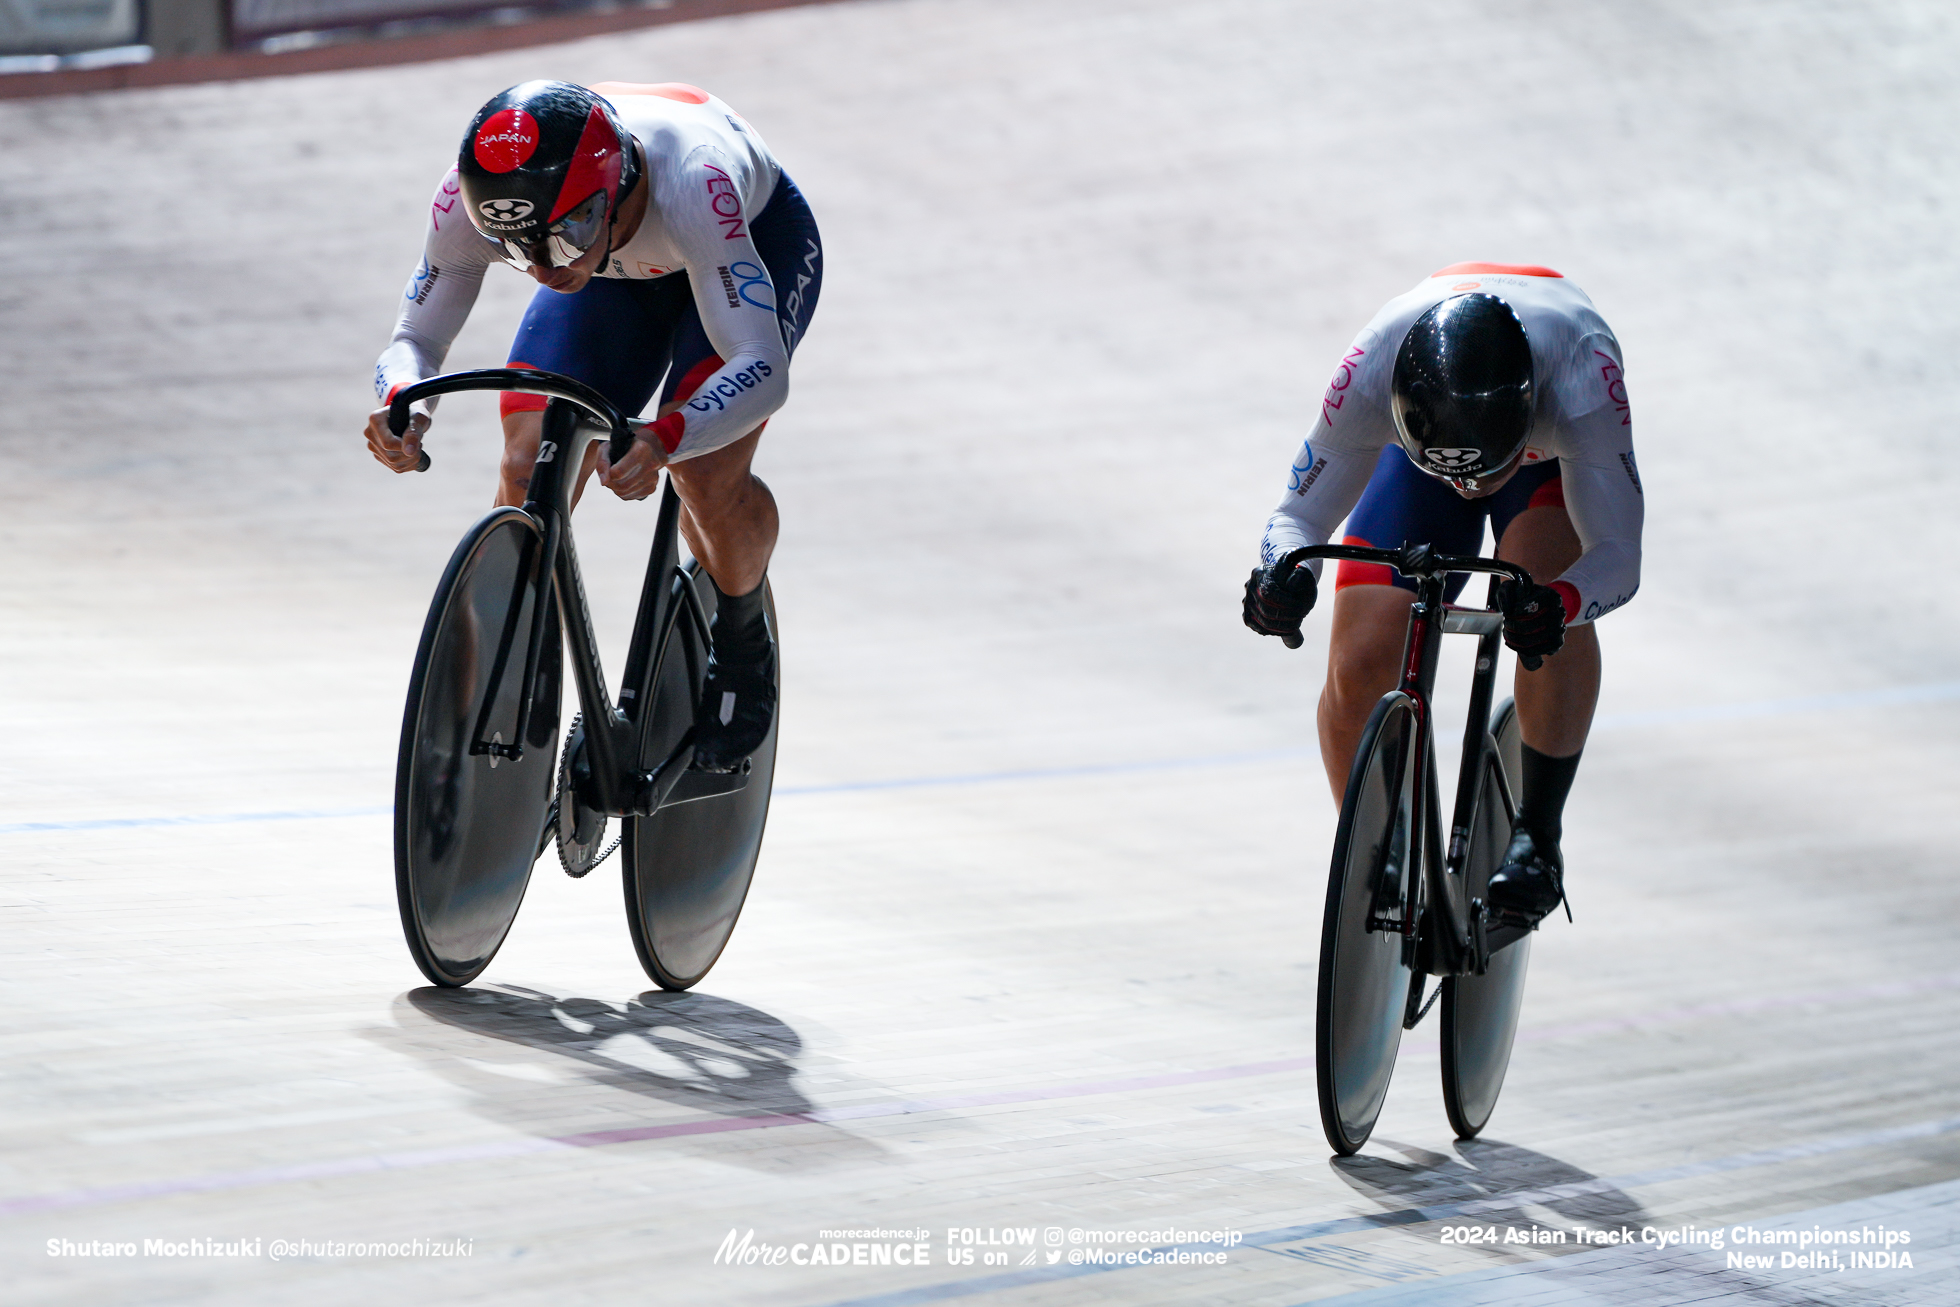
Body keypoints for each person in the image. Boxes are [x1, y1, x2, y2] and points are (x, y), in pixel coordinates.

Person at [363, 79, 822, 772]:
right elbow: (413, 338)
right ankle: (516, 650)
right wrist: (405, 402)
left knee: (703, 470)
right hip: (616, 264)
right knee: (527, 464)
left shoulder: (694, 182)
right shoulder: (473, 202)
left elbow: (762, 365)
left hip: (743, 242)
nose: (546, 269)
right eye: (518, 249)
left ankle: (742, 633)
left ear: (619, 183)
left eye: (564, 235)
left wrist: (667, 437)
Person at [1242, 264, 1642, 923]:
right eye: (1456, 476)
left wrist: (1562, 605)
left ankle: (1538, 838)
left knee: (1539, 589)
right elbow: (1298, 519)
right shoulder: (1372, 368)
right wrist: (1287, 578)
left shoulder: (1581, 379)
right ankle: (1380, 851)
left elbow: (1619, 554)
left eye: (1484, 472)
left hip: (1543, 465)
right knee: (1360, 659)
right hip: (1419, 449)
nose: (1470, 490)